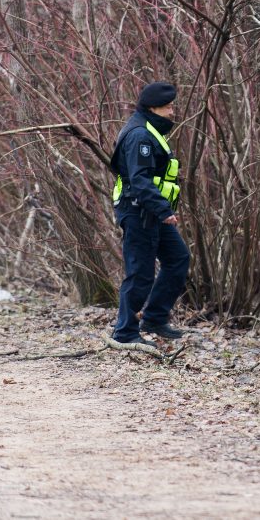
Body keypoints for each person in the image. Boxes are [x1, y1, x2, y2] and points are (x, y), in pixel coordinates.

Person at [109, 82, 190, 345]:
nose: (172, 111)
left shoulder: (150, 130)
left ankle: (154, 317)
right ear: (153, 108)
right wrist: (163, 209)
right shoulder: (139, 136)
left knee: (178, 258)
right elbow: (140, 180)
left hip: (150, 211)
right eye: (168, 107)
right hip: (138, 211)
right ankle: (125, 333)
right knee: (140, 272)